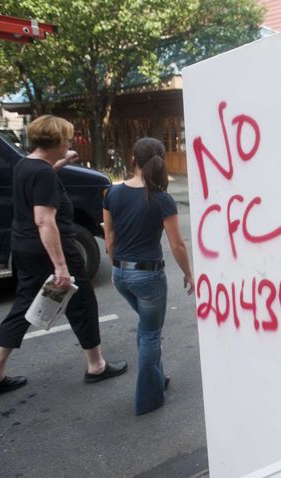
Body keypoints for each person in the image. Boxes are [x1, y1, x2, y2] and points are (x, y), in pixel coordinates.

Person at [0, 115, 127, 397]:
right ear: (56, 141)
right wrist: (60, 266)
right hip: (49, 251)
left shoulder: (27, 165)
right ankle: (96, 366)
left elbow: (41, 175)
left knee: (22, 307)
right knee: (81, 305)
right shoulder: (42, 174)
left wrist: (61, 163)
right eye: (67, 140)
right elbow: (45, 221)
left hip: (23, 247)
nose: (69, 143)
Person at [103, 137, 194, 415]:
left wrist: (115, 267)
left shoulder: (111, 194)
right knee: (151, 333)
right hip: (149, 278)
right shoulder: (162, 199)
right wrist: (189, 274)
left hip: (122, 274)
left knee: (145, 328)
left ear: (133, 159)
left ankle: (157, 378)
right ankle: (148, 398)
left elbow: (110, 237)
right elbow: (177, 245)